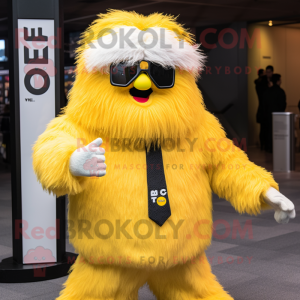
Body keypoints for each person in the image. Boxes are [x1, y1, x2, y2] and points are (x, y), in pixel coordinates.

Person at [263, 73, 286, 153]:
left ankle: (269, 147)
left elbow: (264, 104)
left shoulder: (267, 92)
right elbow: (283, 104)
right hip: (279, 116)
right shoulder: (281, 91)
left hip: (269, 115)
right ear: (278, 81)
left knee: (269, 131)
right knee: (278, 133)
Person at [254, 69, 268, 149]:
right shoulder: (263, 84)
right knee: (265, 128)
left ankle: (262, 144)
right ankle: (264, 144)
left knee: (262, 128)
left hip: (261, 109)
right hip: (264, 109)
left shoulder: (257, 83)